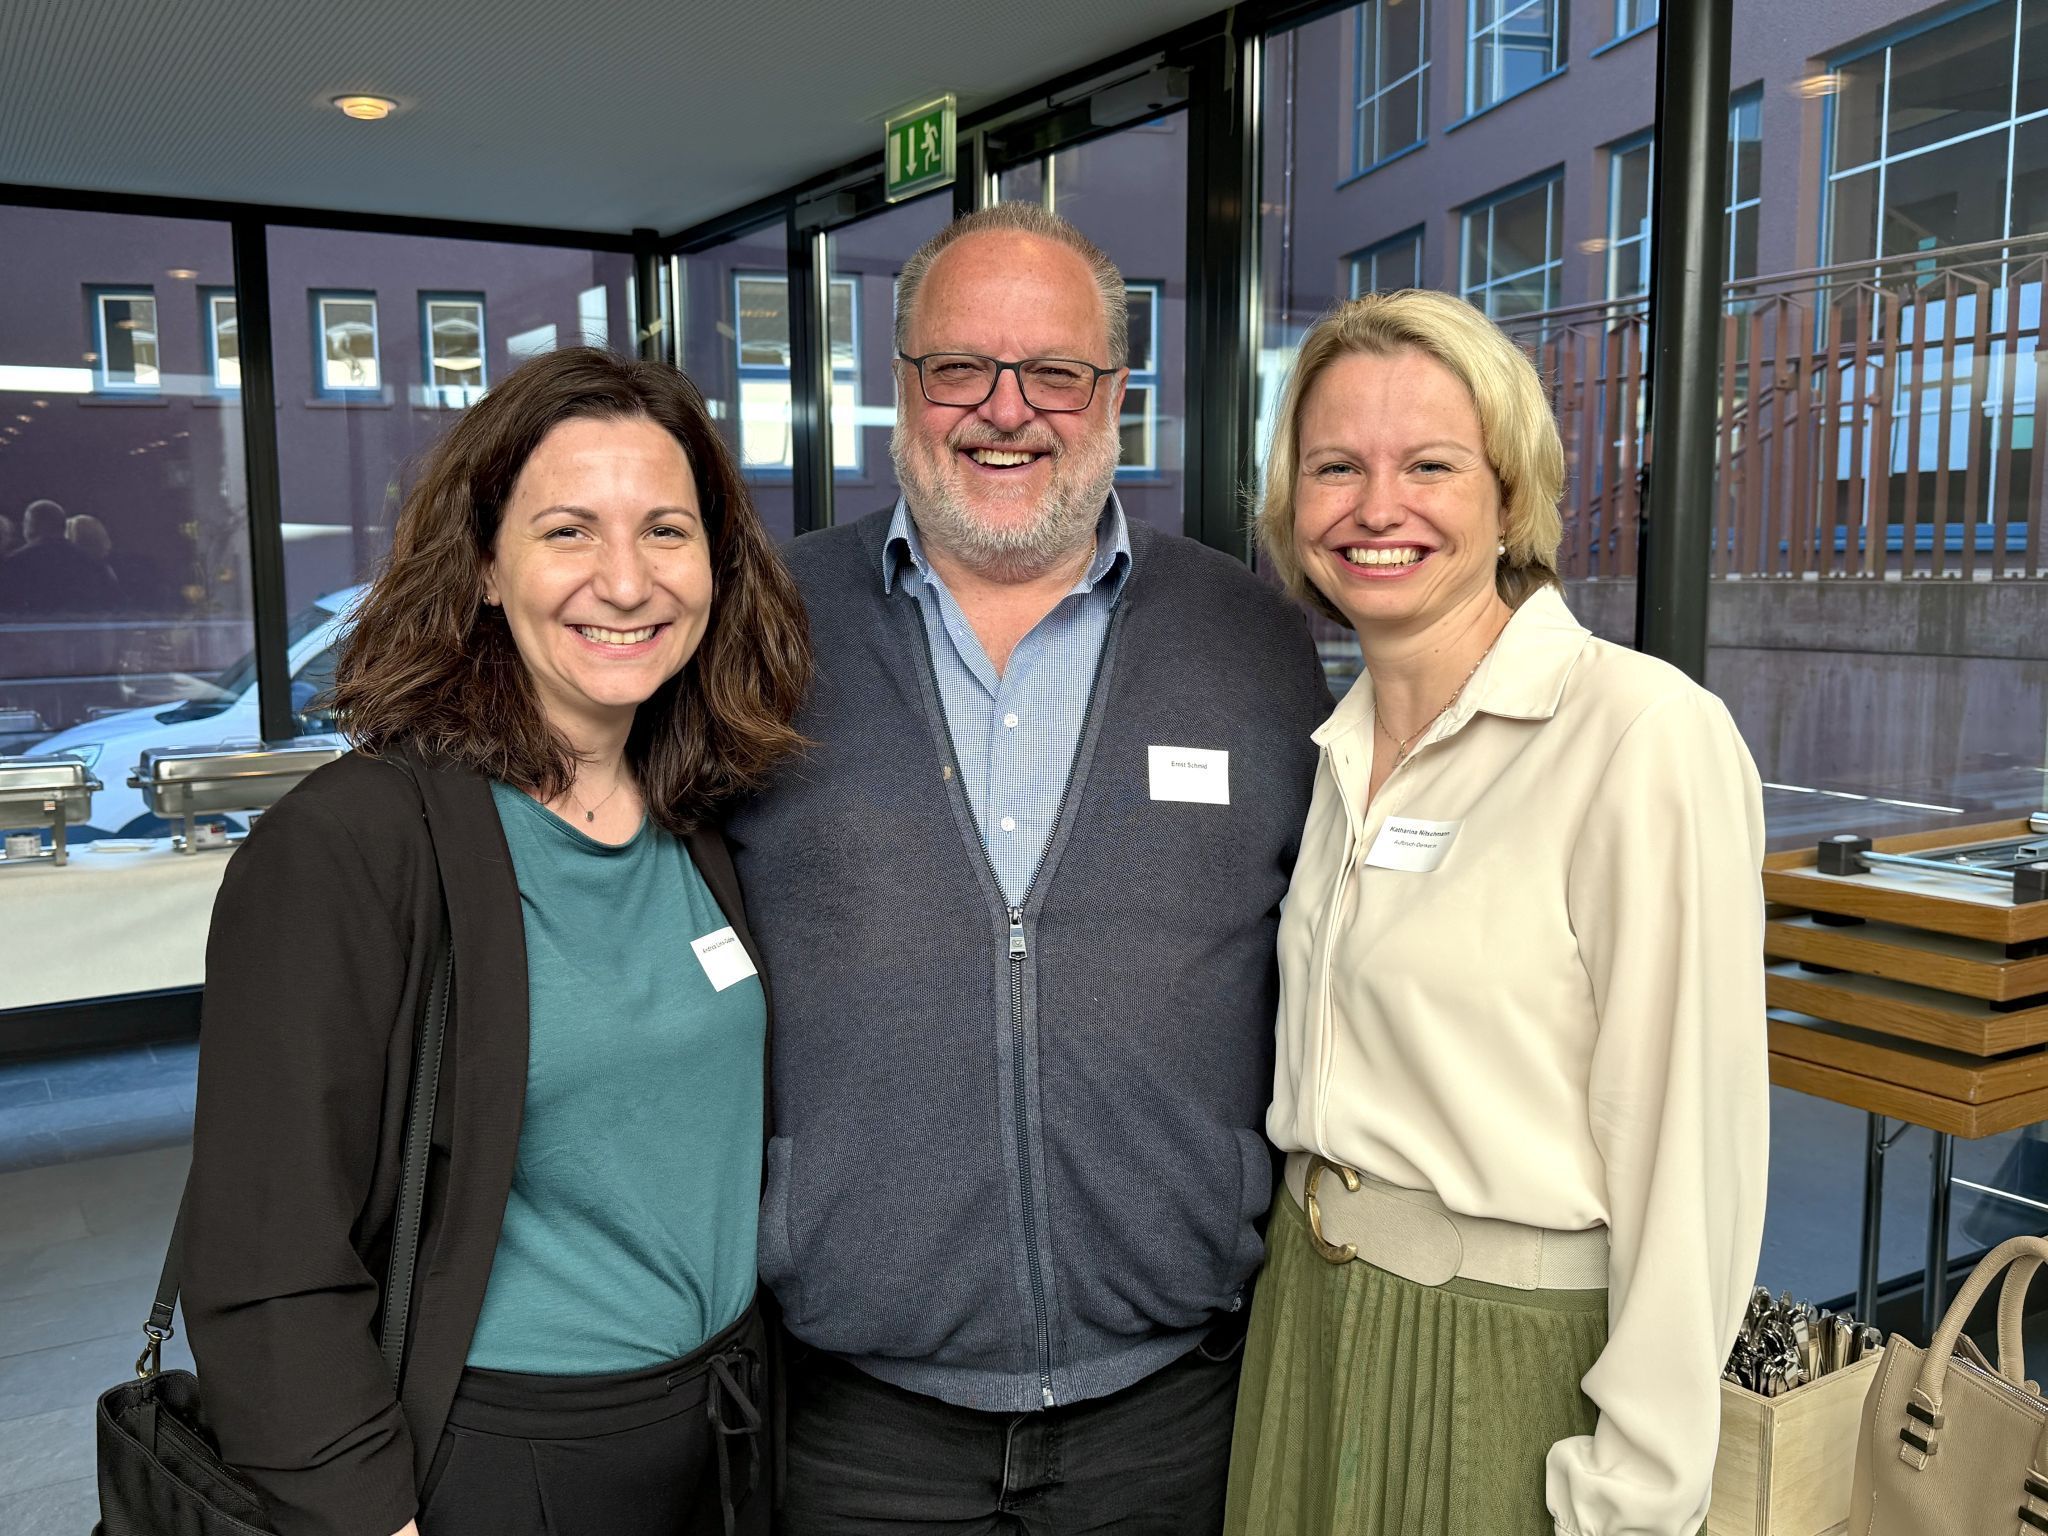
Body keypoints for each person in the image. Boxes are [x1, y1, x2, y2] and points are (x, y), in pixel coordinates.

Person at [725, 202, 1333, 1534]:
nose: (1008, 411)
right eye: (962, 368)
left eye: (1056, 371)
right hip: (853, 1424)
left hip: (1175, 1411)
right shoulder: (760, 623)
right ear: (902, 388)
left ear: (1115, 392)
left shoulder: (1250, 642)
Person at [181, 348, 812, 1536]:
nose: (625, 583)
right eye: (568, 531)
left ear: (716, 567)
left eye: (666, 532)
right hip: (491, 1463)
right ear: (482, 564)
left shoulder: (702, 819)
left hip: (720, 1436)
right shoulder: (355, 846)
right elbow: (265, 1264)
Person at [1223, 289, 1768, 1536]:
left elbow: (1692, 1157)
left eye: (1429, 464)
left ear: (1511, 494)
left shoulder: (1636, 734)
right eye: (1333, 467)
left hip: (1503, 1361)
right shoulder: (1333, 747)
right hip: (1306, 1329)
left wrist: (1635, 1495)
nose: (1375, 508)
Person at [0, 498, 118, 614]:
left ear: (31, 526)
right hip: (84, 631)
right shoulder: (94, 564)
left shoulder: (13, 564)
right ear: (62, 525)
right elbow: (113, 605)